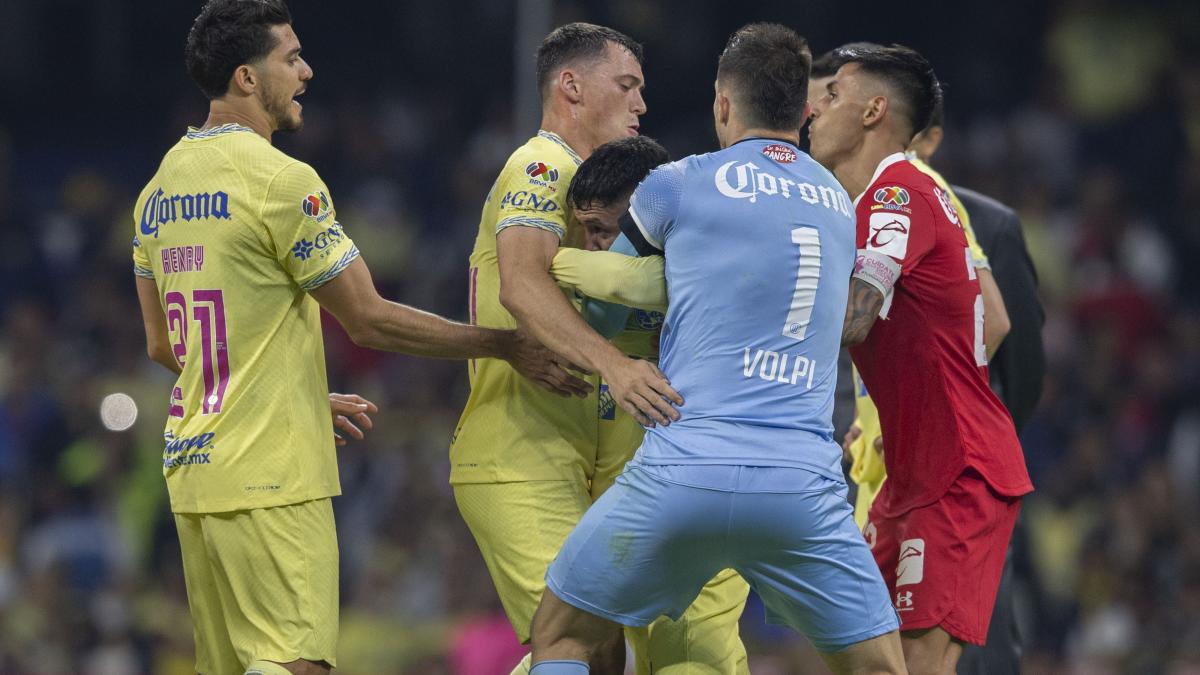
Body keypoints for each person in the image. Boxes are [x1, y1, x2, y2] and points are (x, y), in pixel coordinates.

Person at [132, 3, 570, 674]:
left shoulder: (157, 193)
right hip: (272, 475)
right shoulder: (282, 181)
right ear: (247, 78)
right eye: (291, 58)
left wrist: (296, 391)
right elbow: (367, 318)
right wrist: (504, 344)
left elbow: (164, 345)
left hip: (195, 473)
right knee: (300, 661)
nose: (306, 71)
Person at [525, 24, 906, 675]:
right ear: (805, 112)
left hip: (684, 471)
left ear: (722, 105)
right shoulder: (842, 206)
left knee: (561, 632)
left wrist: (558, 268)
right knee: (880, 667)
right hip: (801, 487)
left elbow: (615, 303)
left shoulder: (677, 183)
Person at [449, 23, 679, 675]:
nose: (640, 104)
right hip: (519, 449)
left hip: (569, 452)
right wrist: (616, 366)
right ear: (571, 85)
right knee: (573, 637)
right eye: (627, 86)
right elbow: (522, 283)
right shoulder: (541, 163)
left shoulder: (593, 186)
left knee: (598, 650)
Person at [808, 43, 1034, 674]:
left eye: (830, 97)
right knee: (860, 656)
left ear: (874, 110)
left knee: (915, 663)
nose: (812, 110)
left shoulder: (898, 193)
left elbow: (854, 318)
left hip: (958, 473)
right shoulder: (868, 204)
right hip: (908, 473)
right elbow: (978, 315)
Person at [554, 135, 752, 674]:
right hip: (655, 485)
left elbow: (632, 282)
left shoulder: (705, 247)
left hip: (709, 476)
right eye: (586, 232)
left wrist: (547, 261)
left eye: (605, 230)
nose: (597, 245)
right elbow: (612, 303)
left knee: (689, 655)